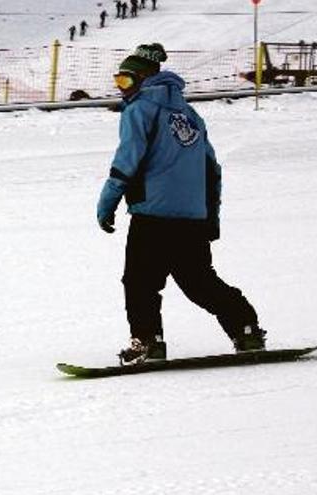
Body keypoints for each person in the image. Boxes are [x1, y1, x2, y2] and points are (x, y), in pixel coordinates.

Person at [96, 43, 266, 365]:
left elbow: (127, 160)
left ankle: (148, 342)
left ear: (144, 78)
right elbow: (211, 169)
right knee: (199, 282)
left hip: (152, 216)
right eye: (118, 82)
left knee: (140, 281)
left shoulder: (140, 109)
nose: (122, 90)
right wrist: (209, 217)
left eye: (125, 81)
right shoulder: (191, 115)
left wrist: (107, 203)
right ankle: (246, 328)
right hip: (191, 218)